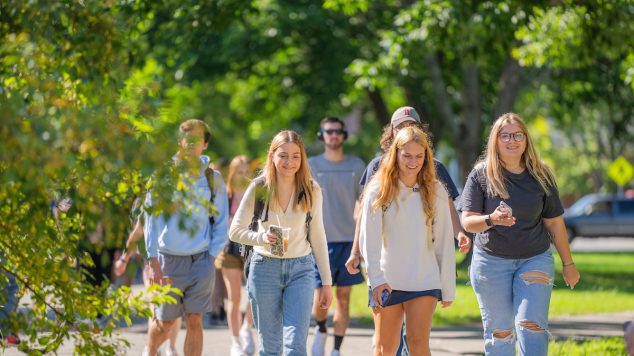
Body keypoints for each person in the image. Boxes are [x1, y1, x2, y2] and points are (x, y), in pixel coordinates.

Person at [345, 106, 468, 355]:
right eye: (406, 156)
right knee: (384, 347)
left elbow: (444, 240)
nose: (413, 162)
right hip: (387, 280)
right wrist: (376, 280)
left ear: (426, 157)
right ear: (395, 153)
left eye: (419, 156)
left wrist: (447, 286)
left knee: (418, 344)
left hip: (425, 280)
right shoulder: (377, 190)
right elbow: (370, 238)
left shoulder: (436, 191)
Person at [461, 113, 581, 356]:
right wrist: (491, 219)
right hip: (491, 263)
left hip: (534, 258)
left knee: (532, 327)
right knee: (500, 334)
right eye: (505, 135)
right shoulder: (481, 175)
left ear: (526, 139)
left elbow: (555, 224)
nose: (512, 140)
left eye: (518, 135)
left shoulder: (541, 174)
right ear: (495, 140)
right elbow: (467, 222)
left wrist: (568, 264)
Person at [229, 130, 333, 355]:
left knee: (295, 346)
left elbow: (318, 236)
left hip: (301, 270)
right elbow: (235, 231)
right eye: (283, 155)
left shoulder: (311, 189)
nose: (290, 162)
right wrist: (260, 238)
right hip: (264, 269)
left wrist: (326, 282)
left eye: (296, 156)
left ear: (302, 158)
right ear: (272, 155)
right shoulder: (259, 188)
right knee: (271, 348)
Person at [143, 119, 229, 356]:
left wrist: (211, 256)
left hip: (201, 260)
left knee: (194, 319)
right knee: (166, 322)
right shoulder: (163, 175)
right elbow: (151, 220)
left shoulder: (213, 178)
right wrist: (152, 260)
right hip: (168, 259)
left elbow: (222, 222)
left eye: (196, 140)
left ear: (205, 144)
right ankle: (149, 351)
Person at [308, 117, 366, 356]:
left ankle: (337, 350)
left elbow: (364, 203)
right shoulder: (310, 165)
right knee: (322, 299)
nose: (333, 135)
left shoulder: (357, 165)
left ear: (343, 135)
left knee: (343, 298)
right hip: (319, 242)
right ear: (322, 135)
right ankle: (321, 328)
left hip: (348, 243)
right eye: (328, 131)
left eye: (337, 132)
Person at [113, 200, 181, 356]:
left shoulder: (178, 194)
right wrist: (124, 259)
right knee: (156, 308)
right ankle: (152, 348)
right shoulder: (146, 201)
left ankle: (171, 347)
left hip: (177, 262)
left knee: (175, 308)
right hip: (152, 264)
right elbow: (137, 232)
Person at [214, 155, 256, 356]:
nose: (243, 175)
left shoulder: (256, 193)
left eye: (246, 171)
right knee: (234, 297)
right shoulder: (225, 194)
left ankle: (247, 329)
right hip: (229, 248)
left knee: (253, 294)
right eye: (239, 171)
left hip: (252, 247)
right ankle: (235, 341)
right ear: (232, 172)